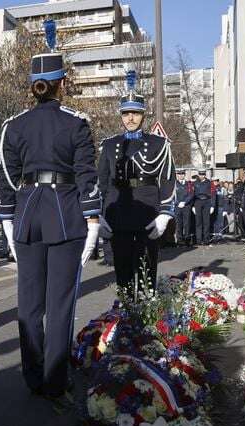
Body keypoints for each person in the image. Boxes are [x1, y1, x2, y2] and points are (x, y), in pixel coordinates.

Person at [0, 21, 101, 399]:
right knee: (59, 304)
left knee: (29, 302)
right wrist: (92, 219)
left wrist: (7, 219)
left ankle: (32, 375)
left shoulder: (13, 125)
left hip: (27, 212)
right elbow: (88, 176)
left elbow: (5, 176)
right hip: (66, 211)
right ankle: (56, 379)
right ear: (63, 83)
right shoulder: (76, 123)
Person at [97, 70, 176, 296]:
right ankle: (125, 320)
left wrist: (165, 214)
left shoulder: (159, 144)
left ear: (143, 115)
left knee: (146, 275)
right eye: (126, 113)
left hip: (147, 214)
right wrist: (98, 215)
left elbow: (167, 178)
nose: (130, 118)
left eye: (135, 113)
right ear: (120, 116)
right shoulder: (110, 145)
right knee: (122, 276)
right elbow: (101, 182)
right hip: (118, 216)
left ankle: (145, 321)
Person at [192, 170, 214, 245]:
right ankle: (198, 240)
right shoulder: (194, 183)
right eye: (200, 175)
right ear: (198, 175)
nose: (202, 176)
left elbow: (213, 194)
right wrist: (193, 206)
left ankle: (206, 240)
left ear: (205, 175)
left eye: (203, 175)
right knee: (198, 222)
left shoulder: (209, 183)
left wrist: (212, 206)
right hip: (197, 202)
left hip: (207, 202)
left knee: (206, 222)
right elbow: (192, 195)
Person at [174, 169, 193, 246]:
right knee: (179, 224)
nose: (181, 175)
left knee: (187, 223)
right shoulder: (174, 184)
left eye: (182, 174)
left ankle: (187, 239)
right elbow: (172, 195)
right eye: (179, 174)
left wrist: (185, 202)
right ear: (177, 175)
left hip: (186, 206)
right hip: (178, 206)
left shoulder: (189, 184)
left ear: (184, 175)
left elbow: (191, 194)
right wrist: (177, 203)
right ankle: (179, 240)